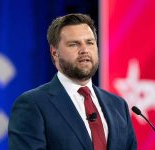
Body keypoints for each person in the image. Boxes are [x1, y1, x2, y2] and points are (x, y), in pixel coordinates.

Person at [8, 13, 137, 150]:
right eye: (74, 44)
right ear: (54, 53)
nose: (84, 50)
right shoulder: (33, 104)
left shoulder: (118, 106)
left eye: (90, 43)